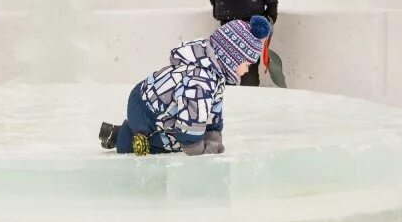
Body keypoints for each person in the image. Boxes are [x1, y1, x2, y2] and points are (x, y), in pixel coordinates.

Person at [99, 16, 272, 156]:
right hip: (147, 110)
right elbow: (192, 116)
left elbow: (212, 110)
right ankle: (125, 137)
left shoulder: (214, 75)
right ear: (231, 58)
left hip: (152, 103)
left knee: (181, 132)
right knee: (168, 142)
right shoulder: (201, 79)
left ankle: (120, 132)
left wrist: (213, 135)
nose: (247, 70)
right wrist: (196, 148)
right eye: (247, 64)